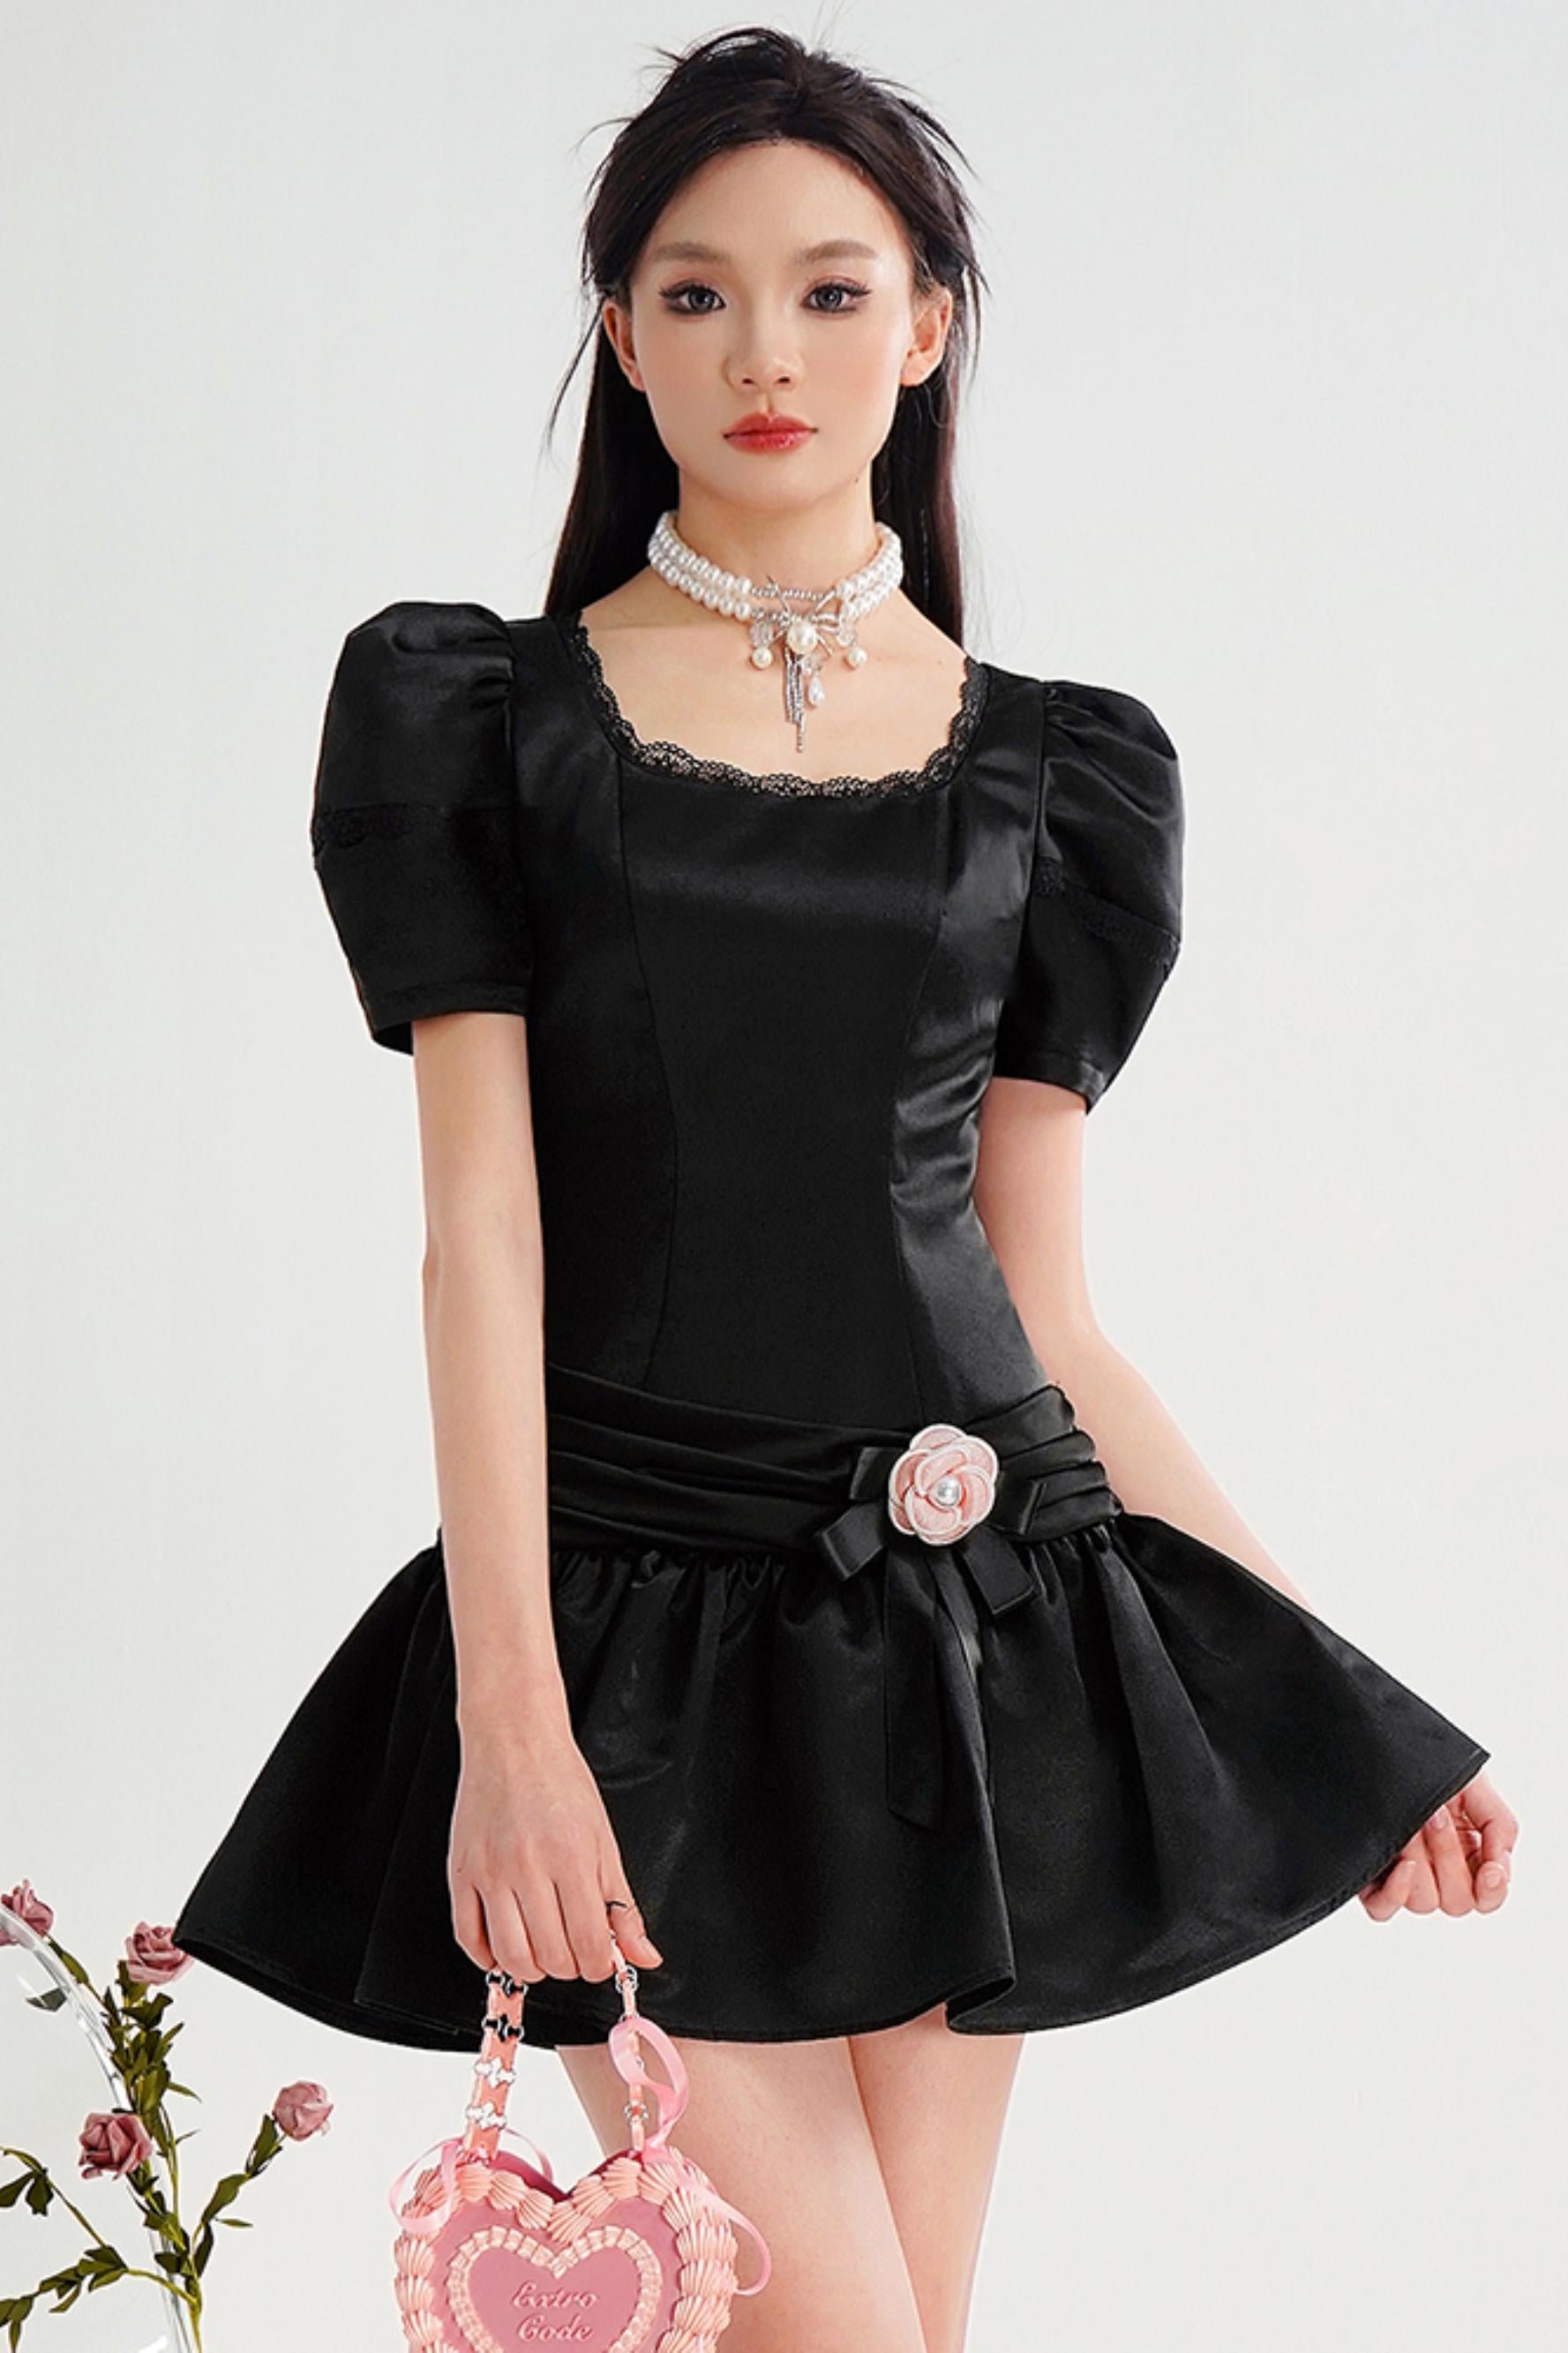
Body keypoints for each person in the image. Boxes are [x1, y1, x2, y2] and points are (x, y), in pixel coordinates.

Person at [172, 28, 1513, 2351]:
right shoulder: (481, 721)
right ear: (621, 336)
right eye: (694, 295)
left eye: (828, 290)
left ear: (924, 324)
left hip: (978, 1643)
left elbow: (1044, 1309)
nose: (763, 354)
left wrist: (1342, 1709)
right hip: (629, 1655)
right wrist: (513, 1725)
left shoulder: (1054, 775)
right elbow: (480, 1245)